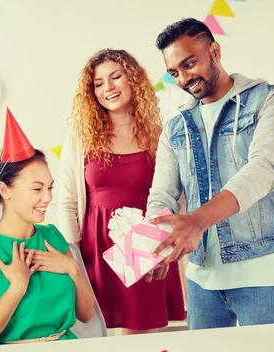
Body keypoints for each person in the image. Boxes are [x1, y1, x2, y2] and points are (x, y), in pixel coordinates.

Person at [147, 18, 274, 329]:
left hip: (262, 270)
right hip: (201, 278)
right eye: (174, 72)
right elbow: (162, 193)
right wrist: (154, 245)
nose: (184, 78)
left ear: (214, 50)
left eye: (189, 64)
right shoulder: (176, 125)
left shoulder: (268, 98)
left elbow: (266, 167)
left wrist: (198, 219)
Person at [57, 49, 186, 335]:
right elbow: (66, 203)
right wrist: (73, 257)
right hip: (94, 248)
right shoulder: (80, 136)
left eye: (116, 77)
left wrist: (168, 245)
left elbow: (176, 196)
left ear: (133, 80)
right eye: (98, 83)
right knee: (95, 334)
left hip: (145, 244)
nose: (108, 88)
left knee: (140, 338)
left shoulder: (160, 133)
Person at [0, 109, 95, 347]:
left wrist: (73, 269)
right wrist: (17, 286)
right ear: (5, 190)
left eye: (50, 188)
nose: (47, 198)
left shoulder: (52, 236)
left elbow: (85, 314)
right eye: (37, 189)